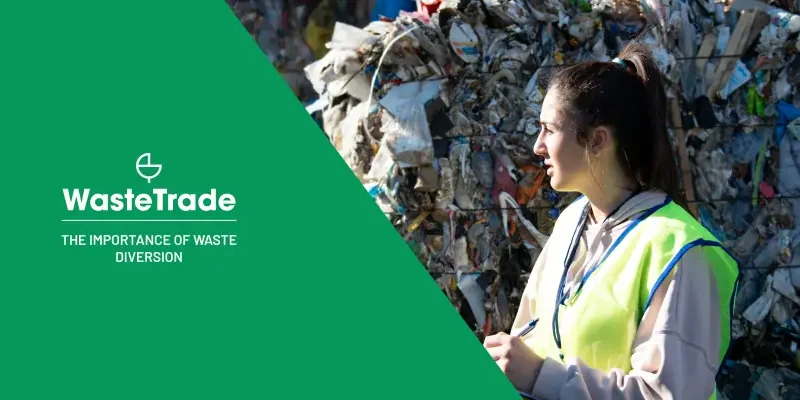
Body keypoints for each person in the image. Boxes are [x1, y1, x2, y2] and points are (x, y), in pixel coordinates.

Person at [482, 42, 740, 400]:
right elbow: (533, 333)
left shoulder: (681, 252)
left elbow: (668, 394)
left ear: (598, 141)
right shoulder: (572, 221)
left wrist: (541, 376)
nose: (537, 146)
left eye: (549, 130)